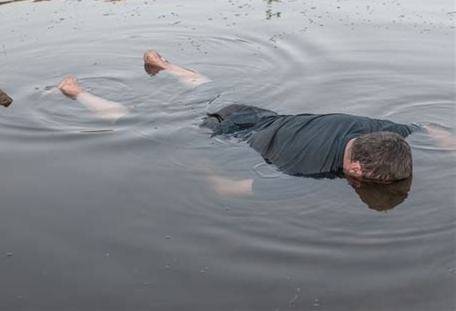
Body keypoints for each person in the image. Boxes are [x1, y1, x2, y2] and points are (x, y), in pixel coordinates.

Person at [57, 50, 454, 207]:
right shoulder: (305, 174)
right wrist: (195, 163)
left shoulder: (373, 126)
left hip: (256, 112)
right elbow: (225, 188)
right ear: (354, 171)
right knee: (132, 121)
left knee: (208, 88)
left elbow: (428, 126)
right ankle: (76, 93)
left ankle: (162, 64)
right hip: (225, 133)